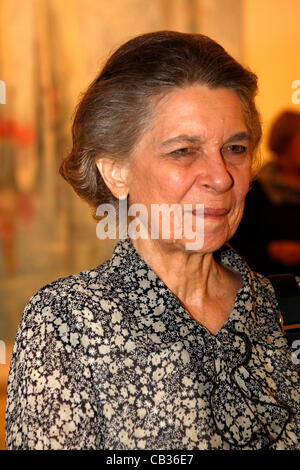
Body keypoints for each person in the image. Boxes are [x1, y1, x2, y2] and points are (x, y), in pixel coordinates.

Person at [5, 31, 300, 450]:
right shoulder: (69, 322)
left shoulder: (288, 307)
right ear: (116, 173)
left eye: (235, 147)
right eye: (183, 151)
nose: (221, 177)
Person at [231, 111, 300, 276]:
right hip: (268, 286)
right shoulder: (254, 190)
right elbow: (235, 244)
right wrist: (271, 251)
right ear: (284, 143)